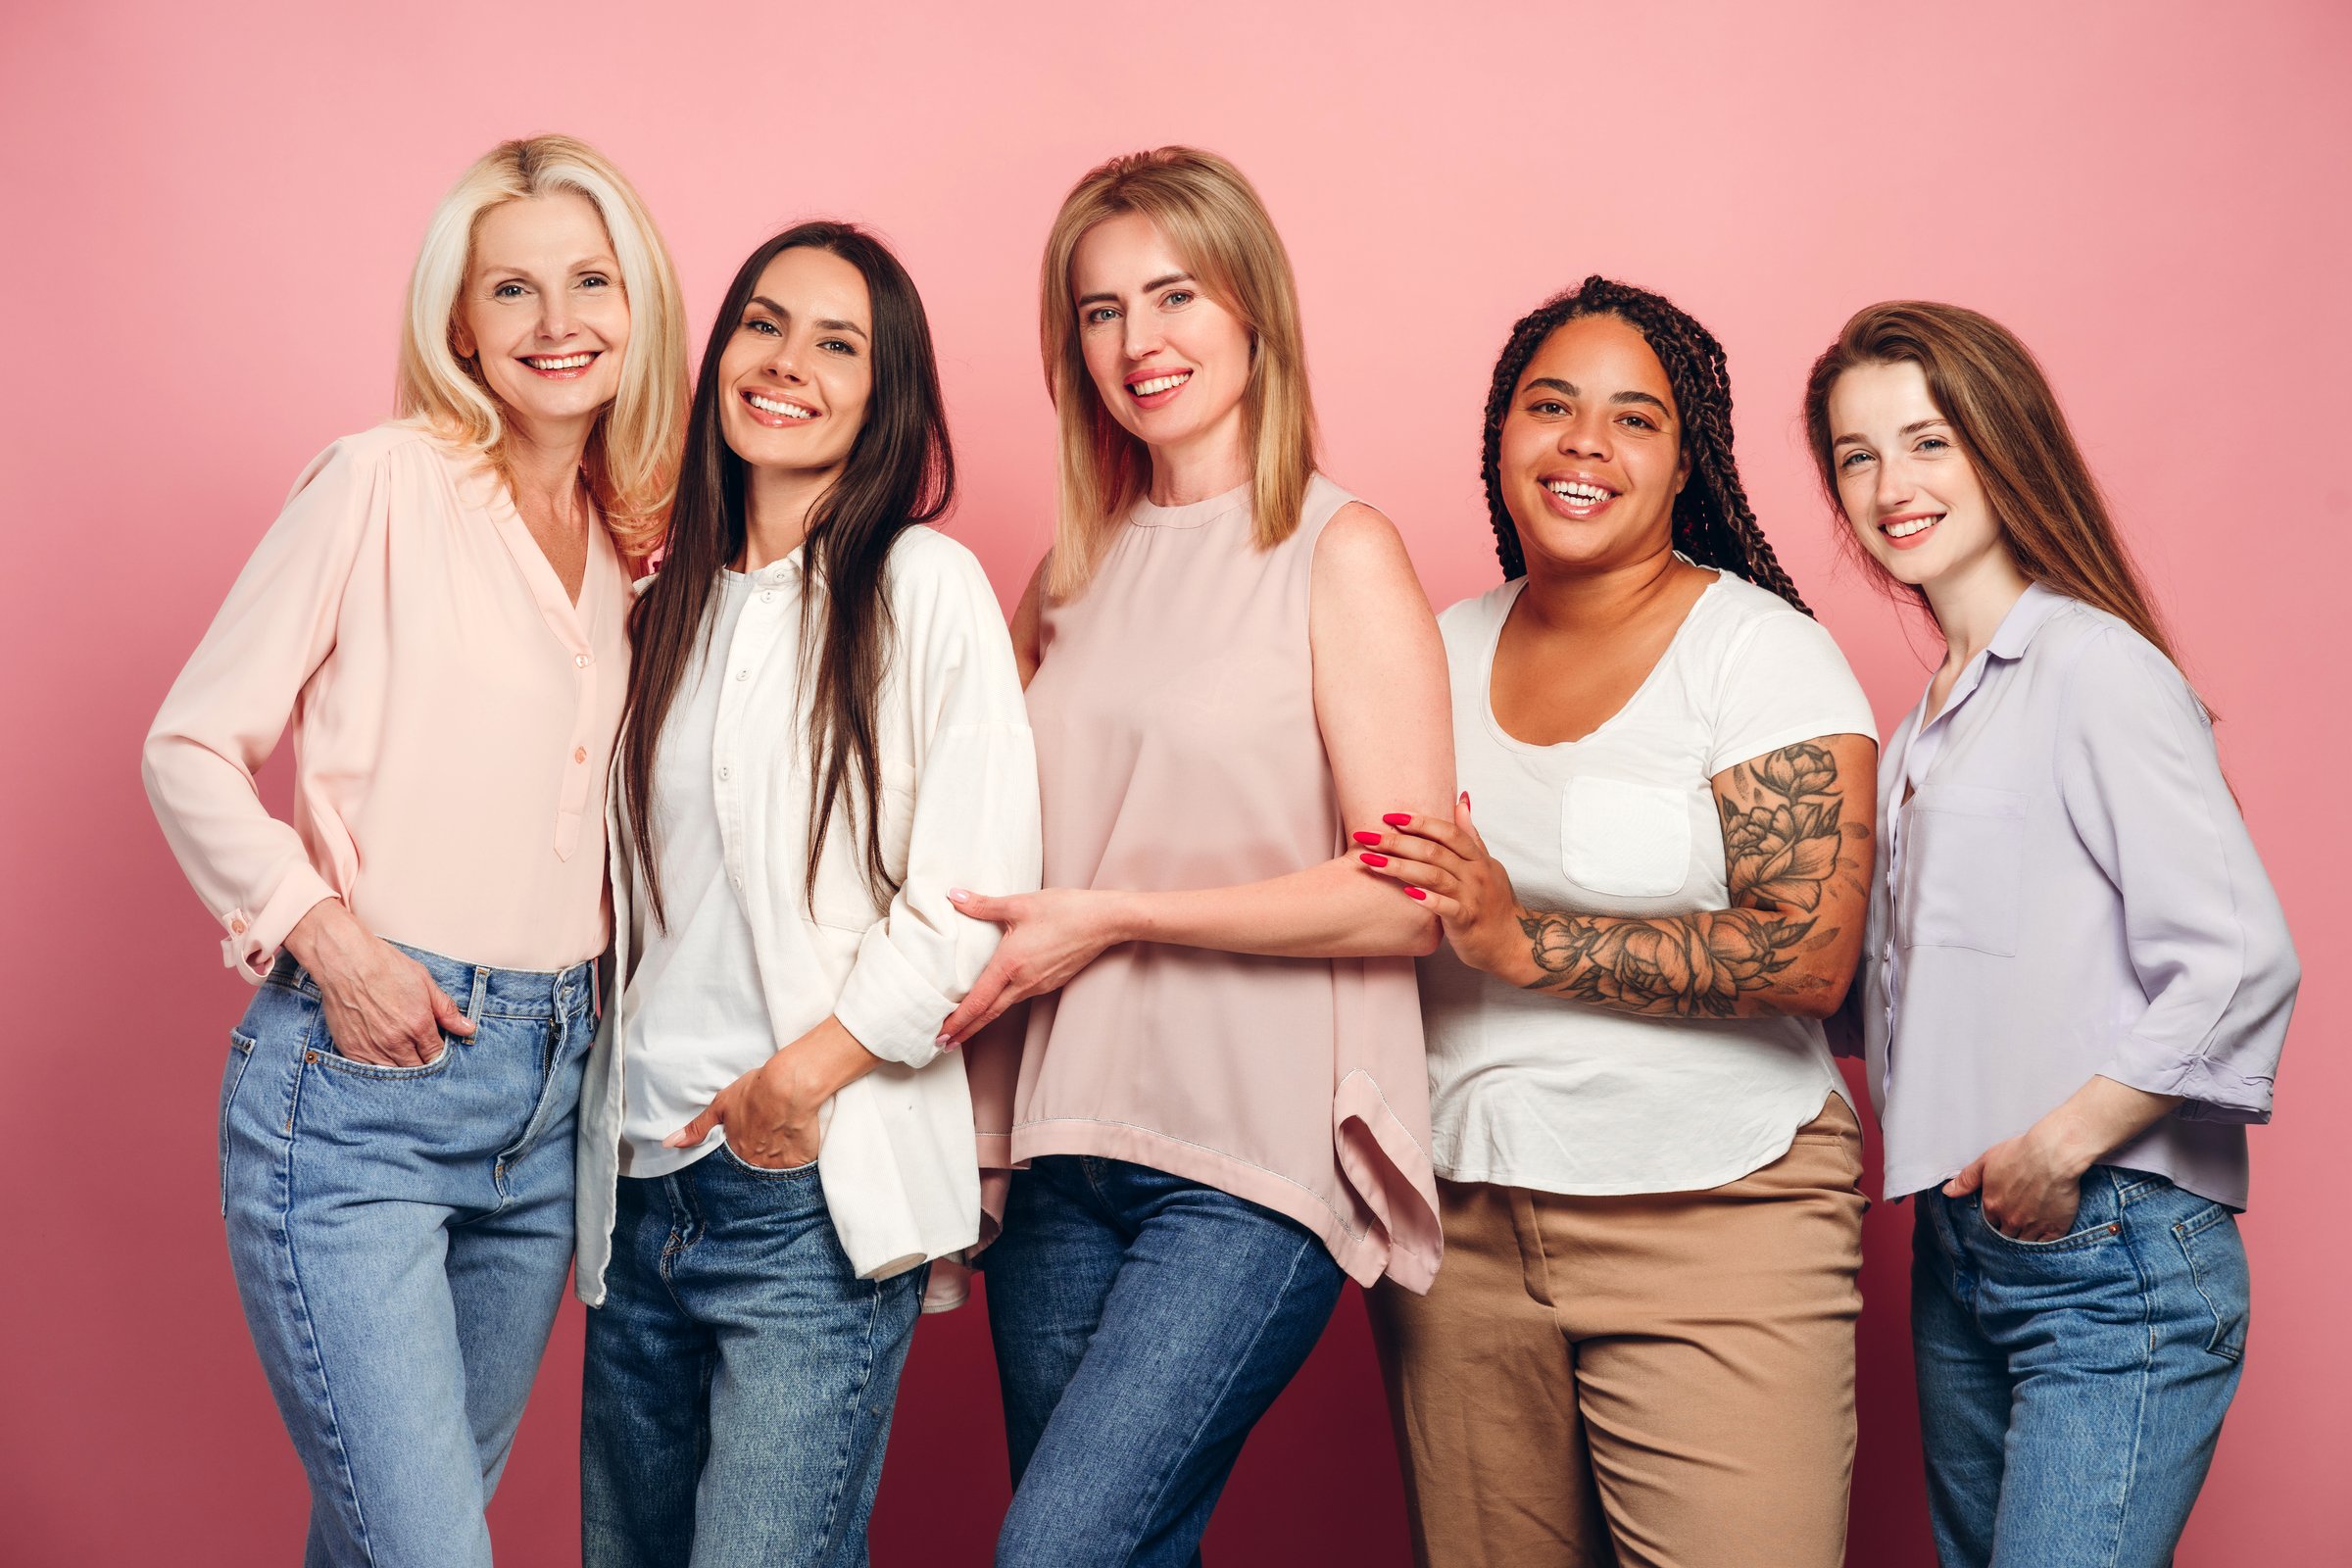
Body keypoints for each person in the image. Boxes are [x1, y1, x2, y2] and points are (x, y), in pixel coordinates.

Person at [141, 134, 688, 1566]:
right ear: (460, 324)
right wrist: (331, 941)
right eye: (514, 289)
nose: (558, 322)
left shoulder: (641, 550)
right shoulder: (378, 481)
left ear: (639, 306)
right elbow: (187, 743)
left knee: (386, 1537)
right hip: (363, 1085)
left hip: (548, 1103)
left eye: (591, 280)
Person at [939, 146, 1454, 1566]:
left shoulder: (1338, 551)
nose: (1136, 342)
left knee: (1054, 1550)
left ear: (1253, 312)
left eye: (1173, 296)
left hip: (1247, 1159)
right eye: (1098, 311)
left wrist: (1119, 918)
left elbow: (1408, 900)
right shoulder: (1067, 575)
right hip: (1058, 1146)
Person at [1359, 276, 1877, 1568]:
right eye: (1552, 406)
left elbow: (1812, 953)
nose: (1585, 444)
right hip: (1463, 1231)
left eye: (1634, 419)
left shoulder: (1757, 654)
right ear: (1500, 435)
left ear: (1684, 459)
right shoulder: (1422, 655)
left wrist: (1521, 936)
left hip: (1720, 1214)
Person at [573, 220, 1040, 1568]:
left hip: (804, 1193)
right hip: (641, 1186)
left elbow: (973, 889)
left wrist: (803, 1081)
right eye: (763, 324)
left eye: (839, 345)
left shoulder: (920, 588)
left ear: (886, 397)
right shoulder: (657, 605)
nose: (787, 364)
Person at [1804, 301, 2298, 1568]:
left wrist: (2058, 1146)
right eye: (1856, 456)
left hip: (2107, 1242)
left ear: (2003, 443)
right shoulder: (1919, 737)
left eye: (1926, 441)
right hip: (1960, 1253)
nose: (1889, 486)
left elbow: (2239, 958)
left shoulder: (2093, 669)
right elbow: (1904, 1003)